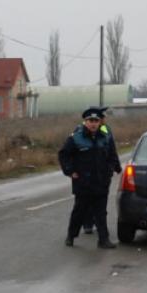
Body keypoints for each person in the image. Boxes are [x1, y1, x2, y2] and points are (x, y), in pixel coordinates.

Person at [59, 107, 122, 249]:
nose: (93, 124)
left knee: (101, 212)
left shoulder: (105, 137)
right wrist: (70, 171)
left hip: (101, 181)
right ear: (85, 122)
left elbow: (112, 155)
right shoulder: (76, 137)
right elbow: (64, 155)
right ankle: (71, 236)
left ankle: (103, 240)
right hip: (83, 182)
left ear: (100, 122)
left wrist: (111, 169)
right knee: (79, 211)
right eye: (90, 121)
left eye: (96, 121)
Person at [82, 106, 114, 235]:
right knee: (89, 200)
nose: (104, 119)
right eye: (103, 116)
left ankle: (99, 225)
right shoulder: (83, 130)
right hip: (89, 173)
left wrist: (112, 167)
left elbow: (111, 149)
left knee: (100, 200)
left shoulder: (104, 129)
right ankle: (89, 223)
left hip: (103, 172)